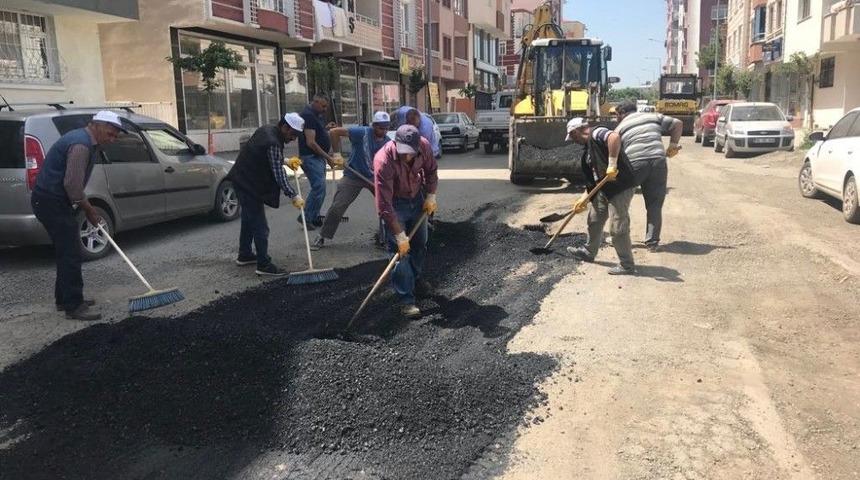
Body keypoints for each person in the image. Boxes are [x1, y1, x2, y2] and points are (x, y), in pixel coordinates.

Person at [30, 110, 125, 320]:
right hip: (50, 201)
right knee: (71, 252)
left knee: (66, 249)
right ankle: (74, 306)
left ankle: (64, 299)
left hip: (52, 200)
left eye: (115, 136)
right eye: (110, 134)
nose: (112, 139)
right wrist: (89, 210)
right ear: (96, 125)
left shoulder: (85, 140)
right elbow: (72, 185)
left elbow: (72, 187)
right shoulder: (81, 145)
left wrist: (82, 205)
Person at [227, 113, 306, 277]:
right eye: (293, 134)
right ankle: (263, 264)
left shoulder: (267, 129)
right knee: (260, 225)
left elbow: (267, 156)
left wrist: (285, 161)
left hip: (242, 178)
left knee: (249, 219)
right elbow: (278, 174)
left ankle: (245, 254)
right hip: (247, 183)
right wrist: (293, 195)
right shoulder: (273, 142)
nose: (293, 139)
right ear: (284, 127)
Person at [374, 125, 438, 318]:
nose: (407, 157)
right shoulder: (383, 160)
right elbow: (384, 204)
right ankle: (406, 300)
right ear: (396, 143)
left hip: (417, 200)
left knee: (420, 244)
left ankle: (416, 280)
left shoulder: (424, 147)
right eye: (403, 153)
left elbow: (431, 171)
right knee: (400, 253)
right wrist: (399, 234)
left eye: (411, 153)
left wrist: (431, 195)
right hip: (395, 204)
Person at [564, 118, 637, 275]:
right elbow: (593, 183)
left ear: (575, 131)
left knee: (617, 228)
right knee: (594, 220)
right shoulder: (587, 153)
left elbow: (614, 137)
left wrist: (612, 164)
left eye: (573, 137)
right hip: (604, 189)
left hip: (620, 186)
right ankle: (589, 252)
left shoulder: (596, 133)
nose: (573, 141)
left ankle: (627, 265)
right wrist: (583, 199)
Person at [311, 111, 392, 250]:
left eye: (386, 128)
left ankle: (387, 238)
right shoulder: (361, 133)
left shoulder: (388, 143)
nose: (383, 131)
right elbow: (334, 132)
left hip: (374, 177)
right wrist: (337, 154)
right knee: (338, 206)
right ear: (373, 125)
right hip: (353, 175)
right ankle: (322, 236)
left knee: (387, 205)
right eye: (380, 128)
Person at [614, 100, 683, 251]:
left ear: (621, 114)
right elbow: (677, 123)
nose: (616, 119)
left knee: (621, 201)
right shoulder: (653, 116)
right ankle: (652, 243)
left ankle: (622, 238)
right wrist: (673, 144)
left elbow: (615, 148)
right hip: (658, 162)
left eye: (616, 115)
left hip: (635, 163)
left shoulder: (620, 127)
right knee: (654, 204)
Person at [298, 93, 340, 230]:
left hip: (317, 157)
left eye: (326, 106)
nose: (325, 109)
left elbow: (317, 132)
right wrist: (328, 158)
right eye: (323, 106)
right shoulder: (308, 115)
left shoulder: (316, 115)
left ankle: (314, 216)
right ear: (315, 102)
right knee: (319, 187)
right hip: (310, 157)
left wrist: (326, 128)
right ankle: (306, 217)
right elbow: (311, 142)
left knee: (320, 188)